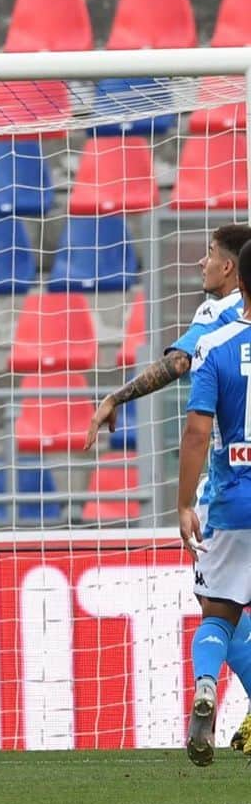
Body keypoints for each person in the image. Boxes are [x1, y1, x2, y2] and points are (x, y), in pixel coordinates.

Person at [86, 223, 251, 752]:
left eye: (209, 254)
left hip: (225, 492)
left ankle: (213, 691)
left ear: (233, 271)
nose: (201, 263)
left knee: (219, 606)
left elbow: (179, 368)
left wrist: (117, 397)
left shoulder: (215, 326)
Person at [178, 238, 251, 766]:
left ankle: (207, 685)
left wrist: (185, 504)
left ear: (239, 283)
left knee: (219, 614)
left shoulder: (216, 345)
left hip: (230, 502)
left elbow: (198, 433)